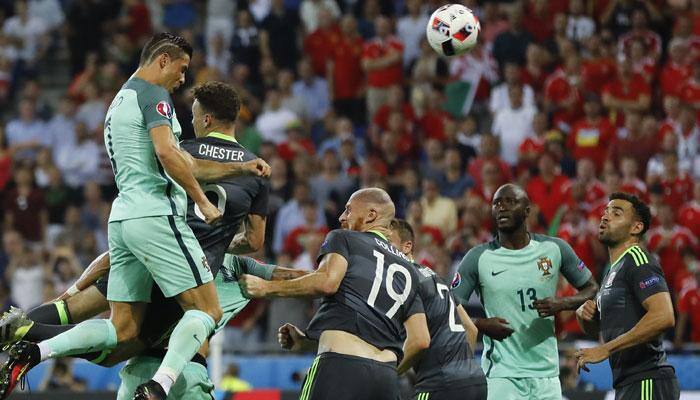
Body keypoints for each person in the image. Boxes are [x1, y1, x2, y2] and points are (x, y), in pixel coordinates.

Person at [0, 36, 269, 400]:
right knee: (207, 308)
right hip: (157, 215)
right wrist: (202, 203)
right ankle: (160, 386)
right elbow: (168, 155)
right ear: (162, 60)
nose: (182, 78)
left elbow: (182, 159)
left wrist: (239, 166)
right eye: (181, 68)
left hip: (124, 218)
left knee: (122, 329)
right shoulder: (154, 96)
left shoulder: (120, 100)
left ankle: (31, 347)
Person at [240, 188, 429, 400]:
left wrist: (266, 288)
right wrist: (307, 341)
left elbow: (327, 282)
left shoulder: (345, 239)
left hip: (339, 369)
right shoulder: (410, 271)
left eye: (348, 210)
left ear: (371, 215)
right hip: (385, 379)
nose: (341, 217)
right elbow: (420, 338)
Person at [452, 183, 599, 400]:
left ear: (527, 210)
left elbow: (592, 287)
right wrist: (481, 325)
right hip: (502, 375)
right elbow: (448, 309)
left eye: (510, 202)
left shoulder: (554, 249)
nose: (502, 207)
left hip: (547, 374)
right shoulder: (478, 258)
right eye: (497, 203)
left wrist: (563, 303)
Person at [575, 192, 679, 400]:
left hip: (647, 380)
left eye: (616, 213)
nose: (605, 217)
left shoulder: (637, 259)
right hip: (629, 383)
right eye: (605, 211)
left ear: (636, 227)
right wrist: (585, 318)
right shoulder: (612, 270)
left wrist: (606, 349)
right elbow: (602, 328)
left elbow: (664, 316)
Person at [389, 219, 487, 400]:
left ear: (407, 246)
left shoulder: (406, 280)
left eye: (389, 243)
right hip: (474, 380)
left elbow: (419, 341)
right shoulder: (435, 277)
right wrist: (461, 372)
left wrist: (391, 372)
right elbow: (471, 329)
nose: (383, 249)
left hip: (439, 385)